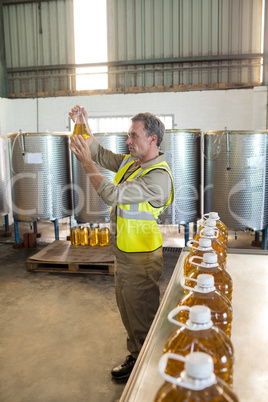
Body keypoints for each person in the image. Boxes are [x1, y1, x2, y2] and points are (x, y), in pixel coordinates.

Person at [69, 106, 174, 380]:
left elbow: (111, 193)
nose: (128, 141)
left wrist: (86, 165)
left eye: (133, 135)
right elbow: (100, 153)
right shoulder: (131, 162)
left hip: (142, 257)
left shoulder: (158, 177)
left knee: (142, 313)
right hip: (125, 253)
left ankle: (149, 371)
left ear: (152, 139)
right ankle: (137, 355)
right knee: (129, 311)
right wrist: (83, 125)